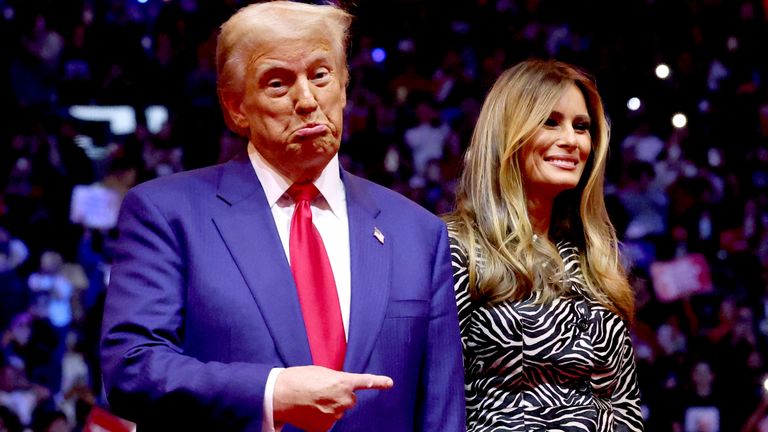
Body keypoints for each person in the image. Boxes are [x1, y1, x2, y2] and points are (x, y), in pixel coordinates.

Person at [99, 2, 465, 431]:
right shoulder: (167, 214)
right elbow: (132, 366)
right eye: (277, 83)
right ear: (236, 108)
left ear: (344, 87)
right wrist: (270, 393)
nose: (307, 100)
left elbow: (441, 412)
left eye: (321, 76)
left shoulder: (418, 232)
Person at [443, 59, 644, 431]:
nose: (571, 140)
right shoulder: (455, 249)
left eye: (581, 127)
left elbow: (625, 403)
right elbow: (431, 393)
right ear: (507, 133)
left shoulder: (595, 260)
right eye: (550, 121)